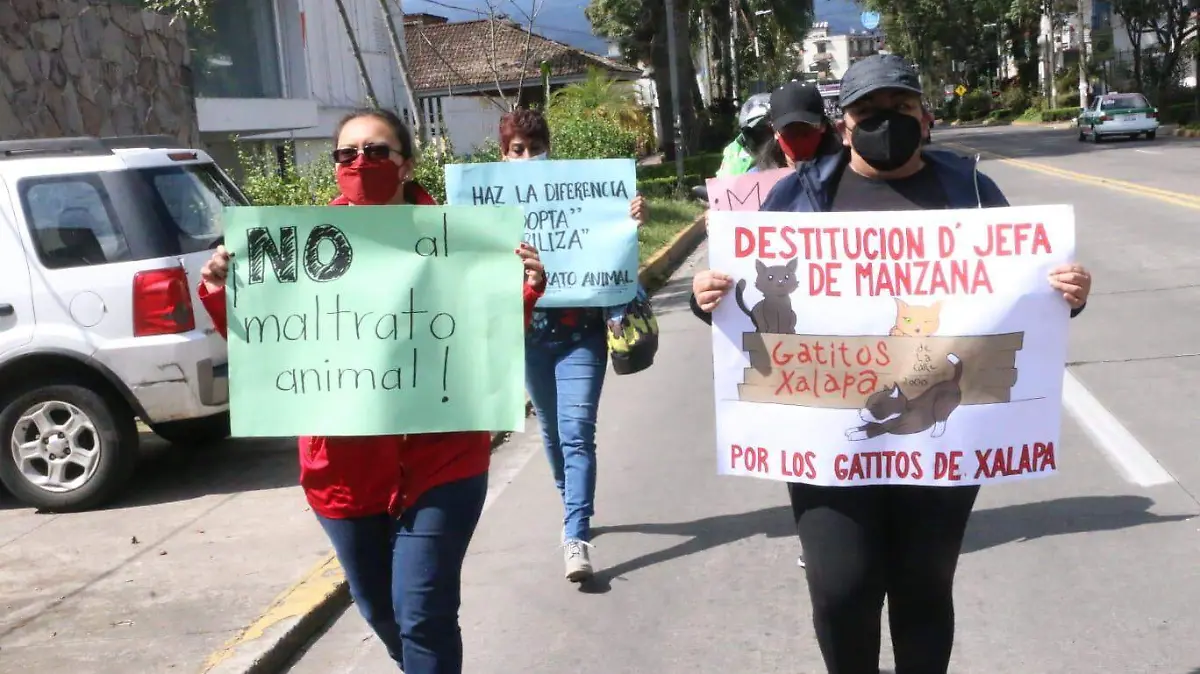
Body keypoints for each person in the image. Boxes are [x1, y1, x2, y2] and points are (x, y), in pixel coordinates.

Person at [688, 54, 1094, 674]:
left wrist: (1066, 294)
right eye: (868, 110)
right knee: (840, 589)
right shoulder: (796, 196)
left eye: (901, 108)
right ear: (843, 124)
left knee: (923, 588)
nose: (886, 120)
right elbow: (751, 300)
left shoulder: (976, 192)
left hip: (940, 435)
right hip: (825, 436)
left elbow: (1022, 300)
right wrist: (706, 299)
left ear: (924, 117)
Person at [197, 109, 548, 674]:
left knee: (424, 614)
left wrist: (524, 289)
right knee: (381, 612)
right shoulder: (295, 250)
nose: (361, 162)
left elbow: (488, 331)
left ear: (406, 163)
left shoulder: (460, 241)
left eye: (376, 151)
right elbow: (271, 344)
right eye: (347, 154)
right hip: (344, 472)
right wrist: (222, 290)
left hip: (443, 460)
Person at [497, 108, 646, 582]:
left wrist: (627, 222)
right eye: (517, 149)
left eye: (535, 148)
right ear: (503, 156)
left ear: (549, 150)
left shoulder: (579, 192)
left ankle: (575, 534)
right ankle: (571, 505)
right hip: (528, 336)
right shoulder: (486, 209)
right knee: (551, 431)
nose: (527, 157)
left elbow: (608, 249)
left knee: (577, 430)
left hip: (581, 334)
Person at [717, 93, 773, 177]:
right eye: (755, 132)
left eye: (768, 132)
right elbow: (723, 181)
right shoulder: (734, 150)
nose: (765, 140)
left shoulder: (788, 148)